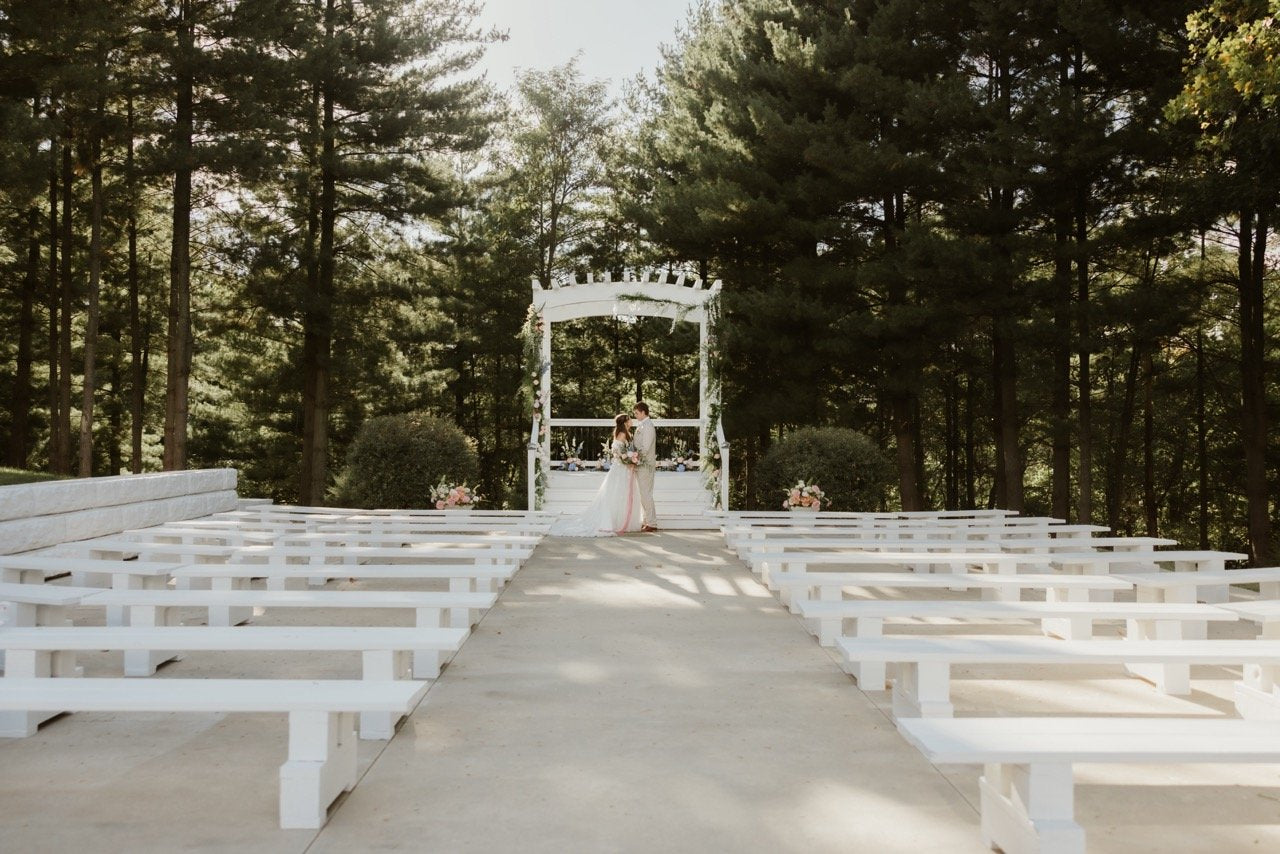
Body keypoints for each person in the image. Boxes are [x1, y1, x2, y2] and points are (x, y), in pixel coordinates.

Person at [549, 413, 644, 537]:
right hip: (621, 469)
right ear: (625, 422)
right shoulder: (621, 434)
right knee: (618, 493)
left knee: (622, 494)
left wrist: (632, 458)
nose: (632, 420)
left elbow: (621, 452)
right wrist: (628, 460)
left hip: (624, 469)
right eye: (630, 419)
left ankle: (624, 520)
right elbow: (619, 454)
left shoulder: (626, 433)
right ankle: (614, 521)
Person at [632, 401, 658, 532]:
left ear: (643, 412)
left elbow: (646, 448)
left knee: (646, 494)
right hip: (640, 464)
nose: (635, 416)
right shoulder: (642, 425)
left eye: (636, 413)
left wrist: (635, 457)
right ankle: (647, 520)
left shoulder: (648, 426)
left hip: (645, 465)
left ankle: (652, 523)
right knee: (643, 494)